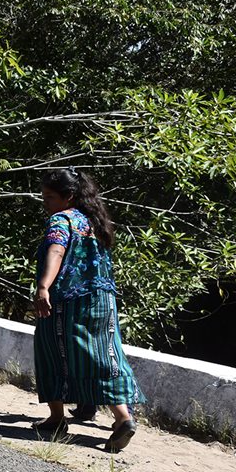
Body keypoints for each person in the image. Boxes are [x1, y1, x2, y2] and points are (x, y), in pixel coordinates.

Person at [33, 168, 142, 452]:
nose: (45, 202)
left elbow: (56, 252)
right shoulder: (95, 221)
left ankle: (57, 419)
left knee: (50, 351)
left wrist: (44, 286)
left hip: (67, 301)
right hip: (102, 301)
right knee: (102, 357)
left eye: (50, 197)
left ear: (68, 196)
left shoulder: (61, 219)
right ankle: (122, 418)